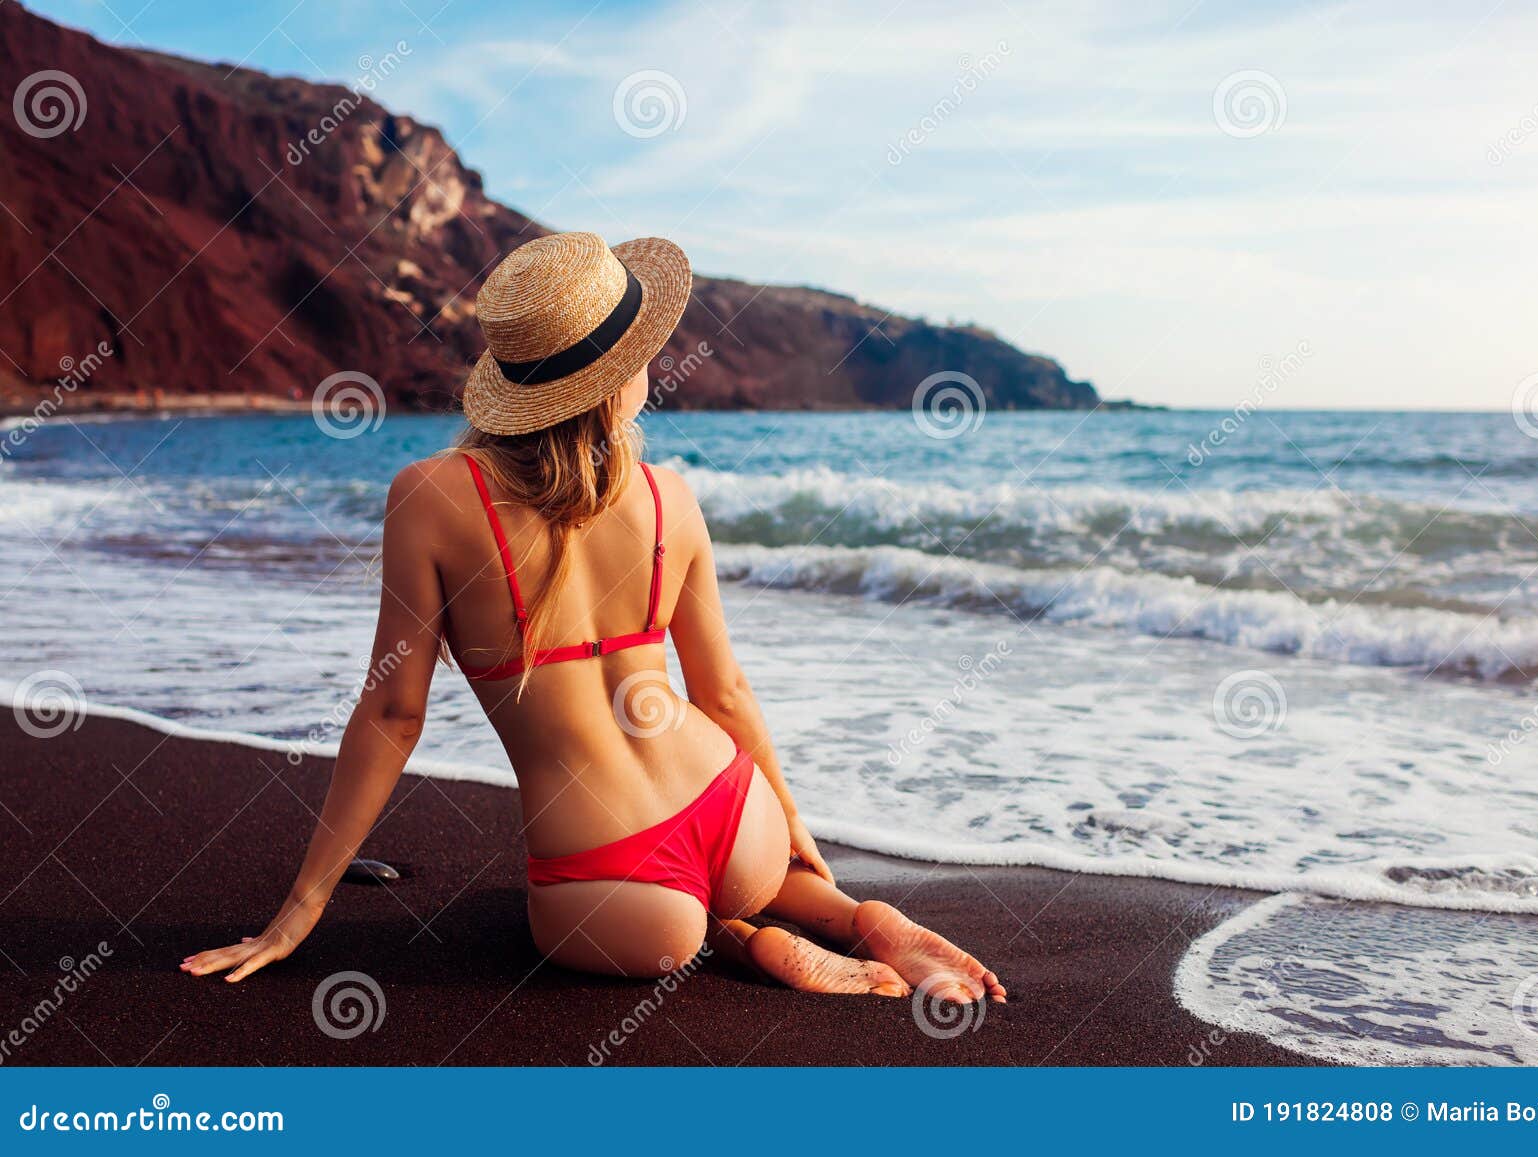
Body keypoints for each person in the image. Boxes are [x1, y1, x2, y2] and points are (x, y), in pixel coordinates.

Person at [182, 232, 1005, 1006]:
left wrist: (299, 909)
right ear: (621, 376)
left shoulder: (431, 496)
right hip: (731, 808)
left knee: (666, 926)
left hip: (613, 882)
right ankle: (848, 915)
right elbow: (723, 693)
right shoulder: (668, 496)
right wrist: (787, 823)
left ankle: (739, 937)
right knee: (742, 875)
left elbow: (395, 714)